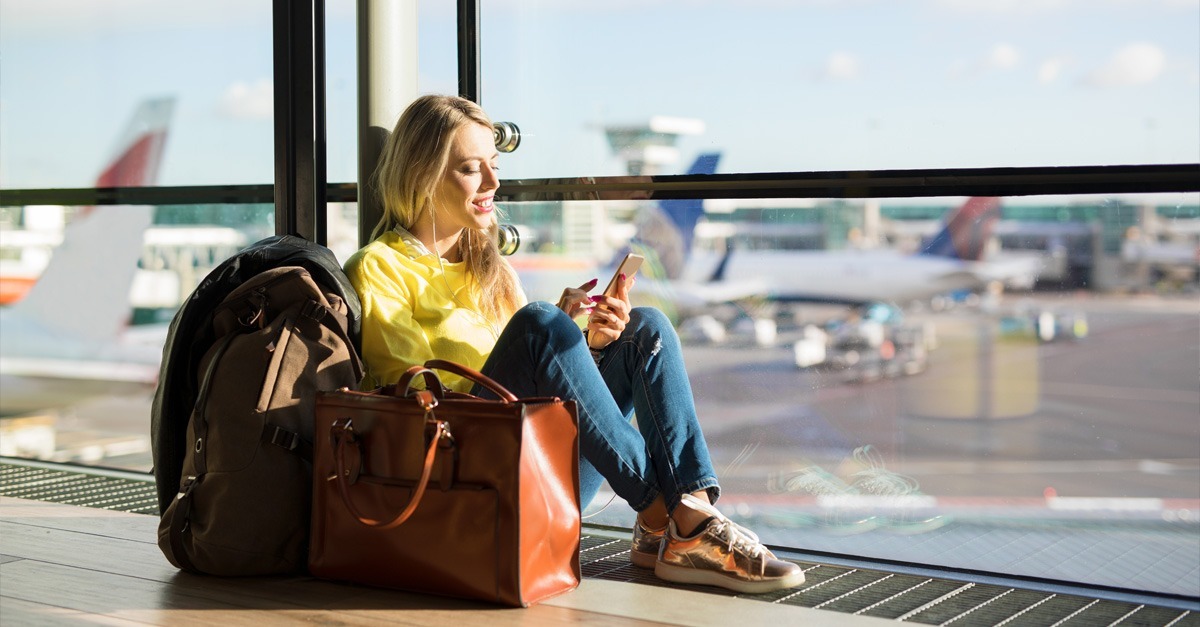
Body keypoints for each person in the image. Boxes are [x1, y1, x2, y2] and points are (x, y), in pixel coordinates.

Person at [343, 94, 804, 594]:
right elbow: (414, 405)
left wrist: (585, 348)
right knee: (540, 322)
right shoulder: (379, 266)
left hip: (533, 463)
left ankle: (674, 523)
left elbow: (531, 389)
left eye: (495, 165)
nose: (493, 183)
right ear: (423, 175)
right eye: (471, 169)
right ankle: (673, 518)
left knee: (645, 329)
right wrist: (543, 336)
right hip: (465, 479)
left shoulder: (492, 269)